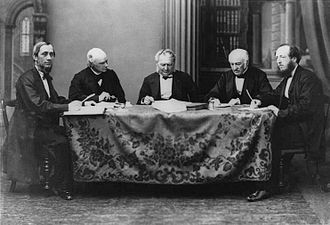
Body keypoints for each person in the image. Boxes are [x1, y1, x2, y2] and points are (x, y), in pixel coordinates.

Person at [2, 42, 82, 200]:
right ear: (34, 57)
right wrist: (67, 106)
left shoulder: (45, 78)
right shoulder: (26, 79)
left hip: (41, 126)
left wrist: (80, 103)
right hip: (27, 130)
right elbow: (38, 105)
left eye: (51, 54)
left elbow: (54, 99)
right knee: (62, 142)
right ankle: (60, 185)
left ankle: (56, 180)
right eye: (44, 54)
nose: (49, 58)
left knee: (73, 135)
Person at [249, 44, 325, 201]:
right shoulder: (288, 78)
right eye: (277, 58)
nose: (278, 61)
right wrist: (259, 100)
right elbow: (274, 95)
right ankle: (254, 179)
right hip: (295, 124)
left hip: (307, 129)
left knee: (268, 135)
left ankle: (269, 185)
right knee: (262, 131)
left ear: (294, 59)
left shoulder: (307, 78)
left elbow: (306, 108)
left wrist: (279, 112)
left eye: (282, 57)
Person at [205, 48, 272, 105]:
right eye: (232, 64)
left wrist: (241, 101)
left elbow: (267, 95)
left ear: (246, 63)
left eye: (238, 64)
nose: (234, 68)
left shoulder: (259, 75)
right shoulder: (226, 76)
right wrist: (213, 99)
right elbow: (213, 93)